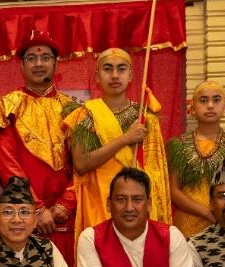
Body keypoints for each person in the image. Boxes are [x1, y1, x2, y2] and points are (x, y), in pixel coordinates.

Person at [64, 48, 172, 245]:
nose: (114, 75)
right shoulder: (85, 115)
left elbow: (156, 174)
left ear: (130, 75)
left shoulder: (145, 118)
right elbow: (81, 164)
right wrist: (124, 139)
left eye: (121, 69)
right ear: (97, 76)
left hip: (138, 206)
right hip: (99, 203)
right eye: (108, 69)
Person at [0, 31, 77, 265]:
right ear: (21, 64)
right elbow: (7, 163)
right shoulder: (8, 105)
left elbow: (84, 165)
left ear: (55, 63)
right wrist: (36, 209)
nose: (39, 64)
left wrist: (66, 203)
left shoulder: (73, 109)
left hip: (66, 217)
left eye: (45, 57)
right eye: (31, 58)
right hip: (24, 216)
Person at [167, 80, 225, 238]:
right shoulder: (179, 145)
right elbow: (174, 191)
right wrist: (206, 213)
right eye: (203, 100)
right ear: (192, 109)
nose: (210, 105)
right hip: (188, 223)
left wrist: (223, 214)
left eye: (217, 100)